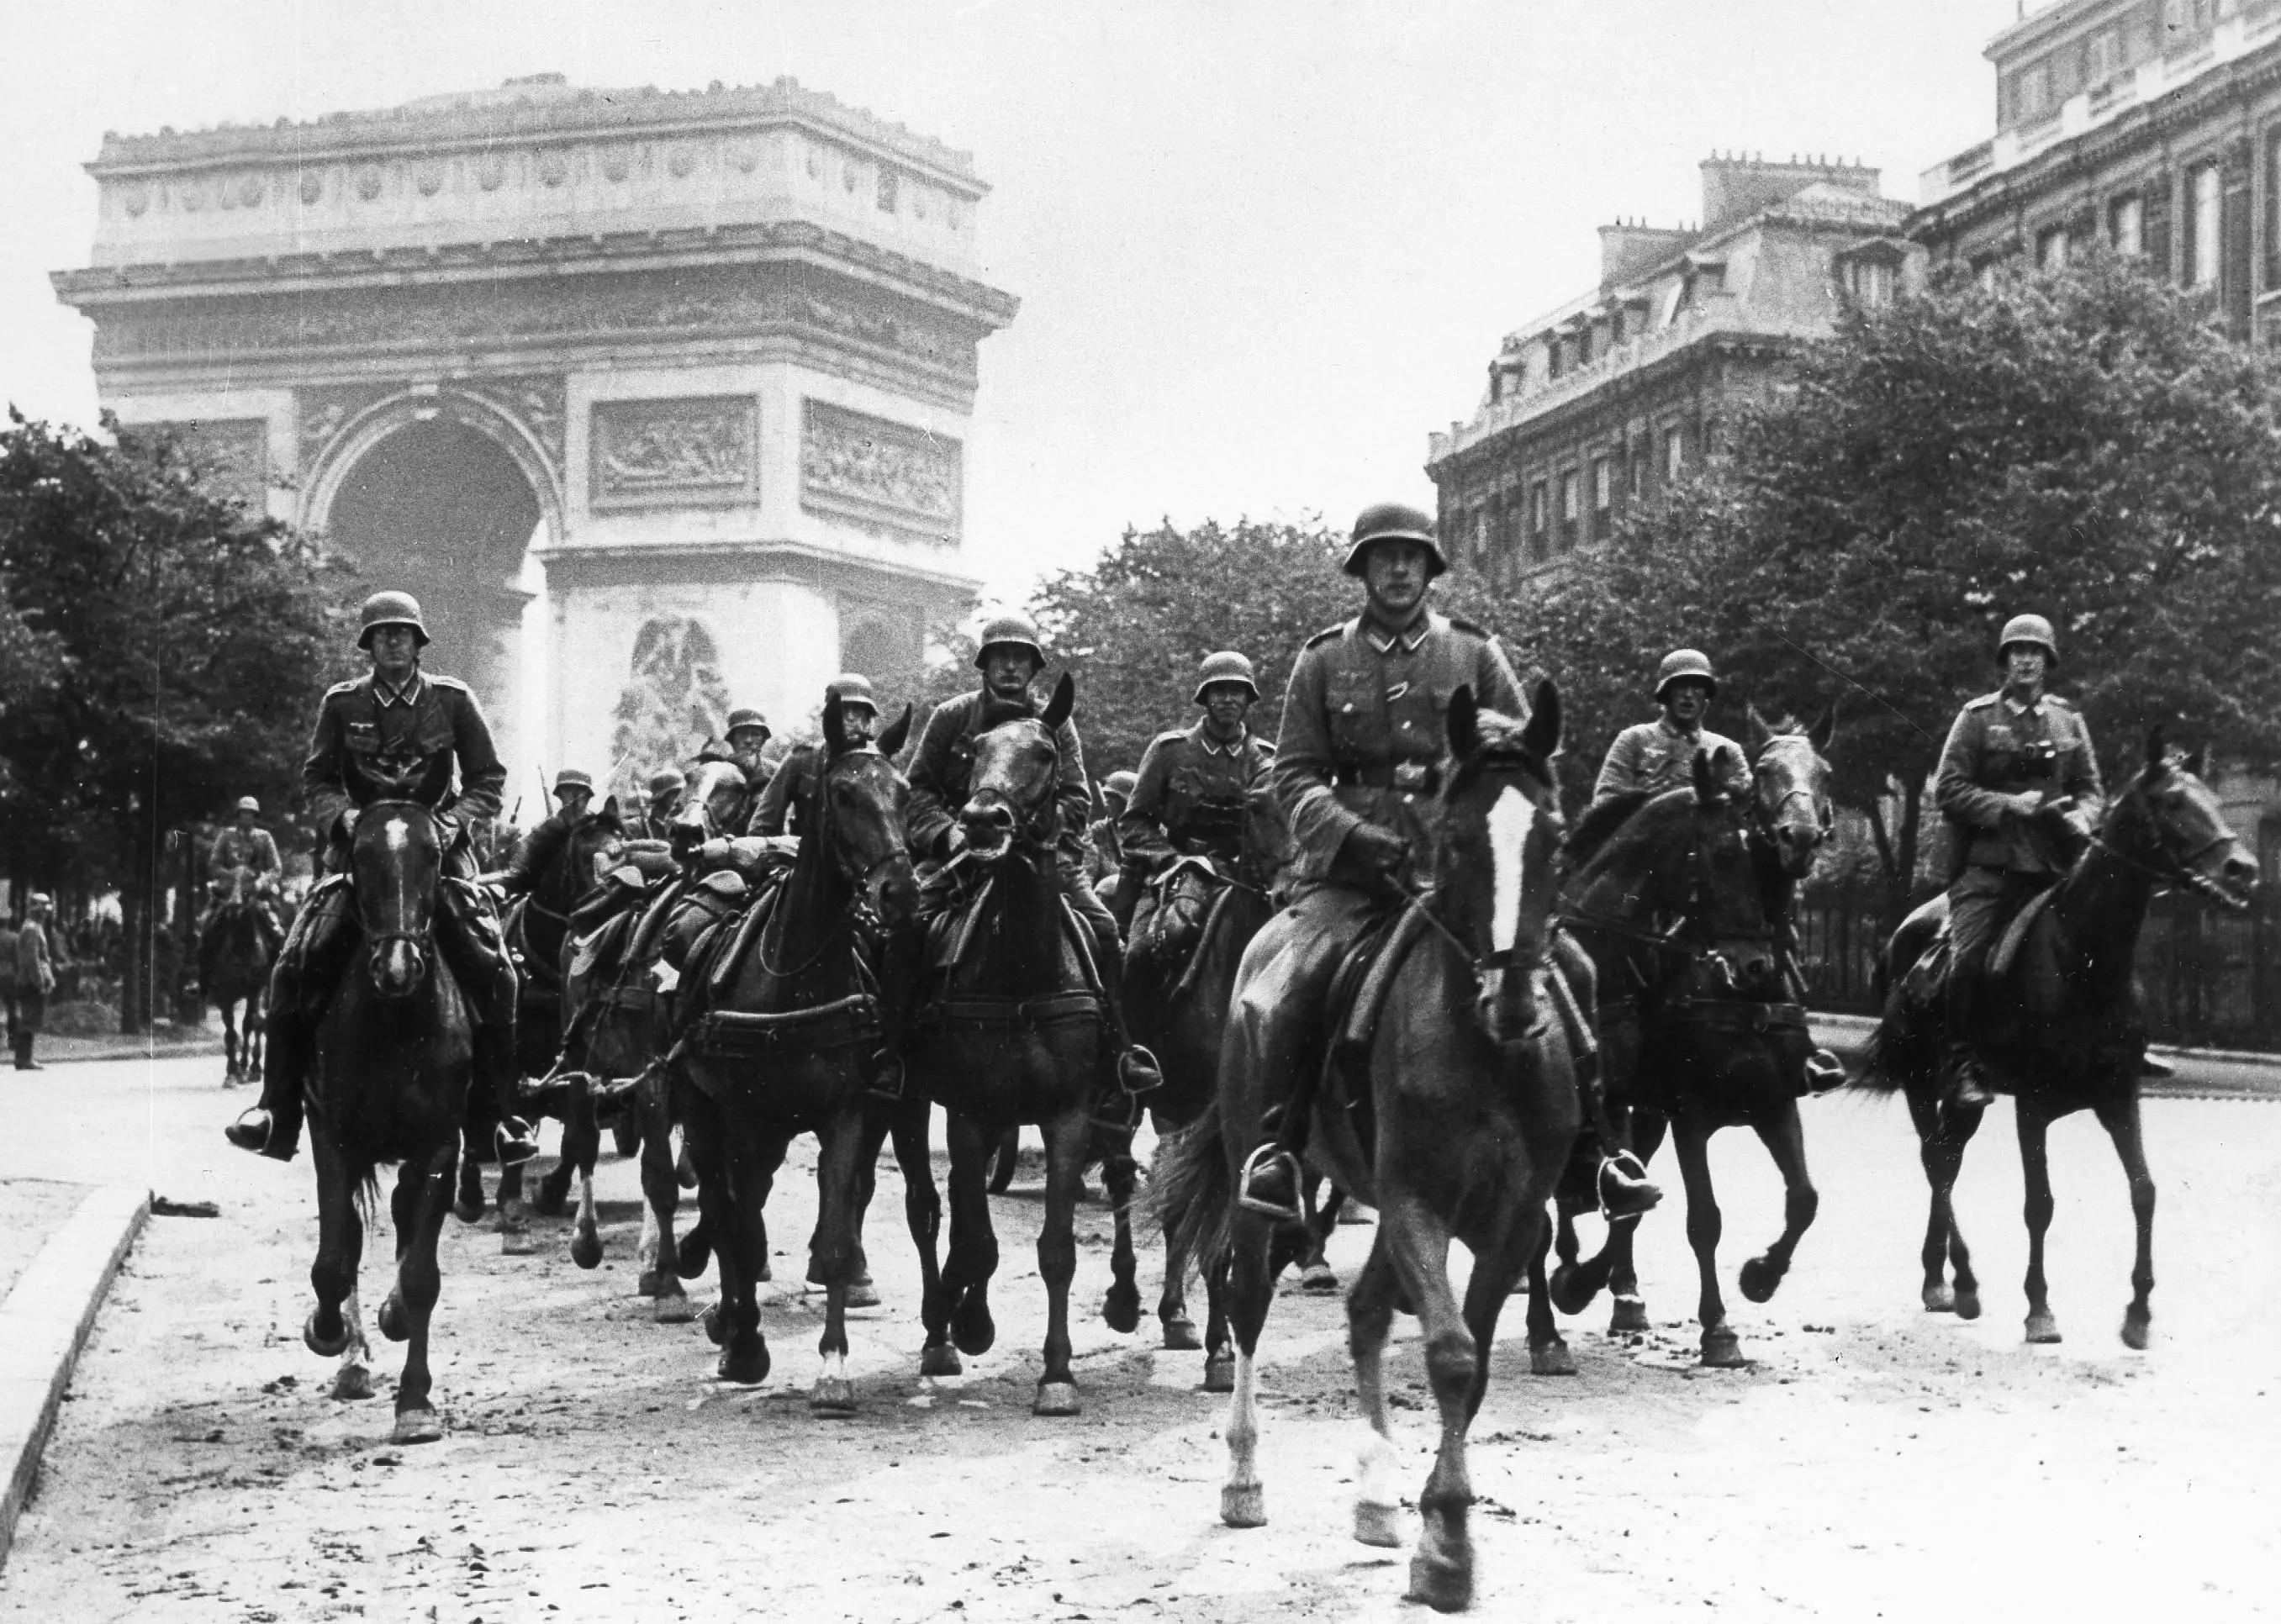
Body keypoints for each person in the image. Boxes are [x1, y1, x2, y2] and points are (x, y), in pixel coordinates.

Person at [1233, 502, 1661, 1223]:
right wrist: (1347, 832)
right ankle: (1280, 1149)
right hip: (1356, 877)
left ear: (1430, 570)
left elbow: (1529, 754)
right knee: (1287, 988)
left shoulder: (1473, 651)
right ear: (1362, 570)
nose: (1398, 570)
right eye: (1382, 558)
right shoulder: (1322, 658)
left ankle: (1595, 1149)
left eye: (1412, 559)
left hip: (1463, 872)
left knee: (1577, 973)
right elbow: (1294, 775)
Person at [225, 590, 538, 1164]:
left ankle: (500, 1116)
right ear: (368, 645)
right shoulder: (342, 703)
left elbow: (487, 779)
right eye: (381, 635)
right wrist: (343, 816)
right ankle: (276, 1109)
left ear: (418, 643)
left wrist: (448, 824)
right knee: (293, 963)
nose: (392, 643)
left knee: (496, 969)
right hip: (358, 858)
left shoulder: (453, 700)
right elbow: (317, 777)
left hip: (437, 857)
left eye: (402, 634)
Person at [900, 612, 1160, 1097]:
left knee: (1104, 931)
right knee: (908, 926)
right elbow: (918, 792)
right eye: (1001, 657)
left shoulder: (1055, 723)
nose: (1010, 668)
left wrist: (1037, 834)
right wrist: (950, 836)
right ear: (985, 664)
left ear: (1034, 667)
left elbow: (1076, 796)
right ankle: (897, 1050)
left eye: (1020, 658)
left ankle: (1120, 1048)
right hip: (961, 860)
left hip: (1041, 861)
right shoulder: (952, 717)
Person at [1932, 613, 2103, 1110]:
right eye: (2017, 652)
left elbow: (2091, 788)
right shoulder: (1978, 718)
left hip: (2056, 866)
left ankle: (2117, 1045)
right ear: (2005, 660)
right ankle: (1962, 1063)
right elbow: (1949, 789)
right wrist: (2008, 805)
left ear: (2047, 662)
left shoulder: (2068, 720)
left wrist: (2083, 818)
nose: (2026, 660)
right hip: (1991, 867)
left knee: (2102, 945)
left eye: (2035, 652)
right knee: (1968, 959)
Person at [1118, 651, 1275, 946]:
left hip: (1247, 878)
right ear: (1205, 698)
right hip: (1179, 872)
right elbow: (1134, 823)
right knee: (1139, 954)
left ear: (1248, 699)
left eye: (1237, 691)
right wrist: (1172, 859)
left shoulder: (1267, 760)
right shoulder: (1169, 750)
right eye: (1219, 691)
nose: (1229, 700)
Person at [1592, 650, 1751, 806]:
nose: (1688, 695)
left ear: (1706, 699)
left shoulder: (1728, 750)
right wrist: (1639, 799)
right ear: (1665, 694)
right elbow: (1604, 804)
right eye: (1680, 686)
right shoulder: (1634, 740)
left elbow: (1750, 809)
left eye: (1697, 688)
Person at [747, 677, 878, 839]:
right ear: (829, 718)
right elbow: (762, 826)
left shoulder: (879, 765)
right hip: (807, 856)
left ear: (867, 719)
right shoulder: (803, 761)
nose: (850, 718)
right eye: (842, 710)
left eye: (858, 710)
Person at [198, 796, 285, 986]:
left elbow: (276, 867)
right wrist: (230, 875)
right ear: (237, 816)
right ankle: (202, 980)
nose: (247, 818)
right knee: (207, 927)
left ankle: (279, 980)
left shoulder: (264, 837)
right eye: (243, 814)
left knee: (276, 932)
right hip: (228, 892)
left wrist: (261, 881)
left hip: (256, 892)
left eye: (251, 815)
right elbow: (214, 863)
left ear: (255, 817)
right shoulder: (226, 836)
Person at [497, 768, 597, 900]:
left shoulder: (599, 826)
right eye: (569, 791)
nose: (576, 797)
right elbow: (519, 866)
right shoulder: (544, 829)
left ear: (588, 796)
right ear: (560, 795)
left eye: (581, 792)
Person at [1088, 770, 1139, 924]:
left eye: (1113, 797)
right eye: (1107, 796)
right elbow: (1093, 868)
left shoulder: (1148, 831)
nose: (1107, 802)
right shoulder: (1101, 830)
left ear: (1127, 801)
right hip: (1109, 898)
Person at [12, 894, 55, 1071]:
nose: (45, 914)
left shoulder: (34, 927)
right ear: (35, 909)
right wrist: (39, 981)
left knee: (31, 1018)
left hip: (29, 979)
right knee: (29, 1018)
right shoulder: (31, 928)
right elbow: (32, 959)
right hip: (30, 980)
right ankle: (23, 1058)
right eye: (43, 910)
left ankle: (25, 1057)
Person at [633, 768, 686, 842]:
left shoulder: (673, 826)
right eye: (675, 795)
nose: (677, 801)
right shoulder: (639, 825)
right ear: (662, 796)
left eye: (678, 795)